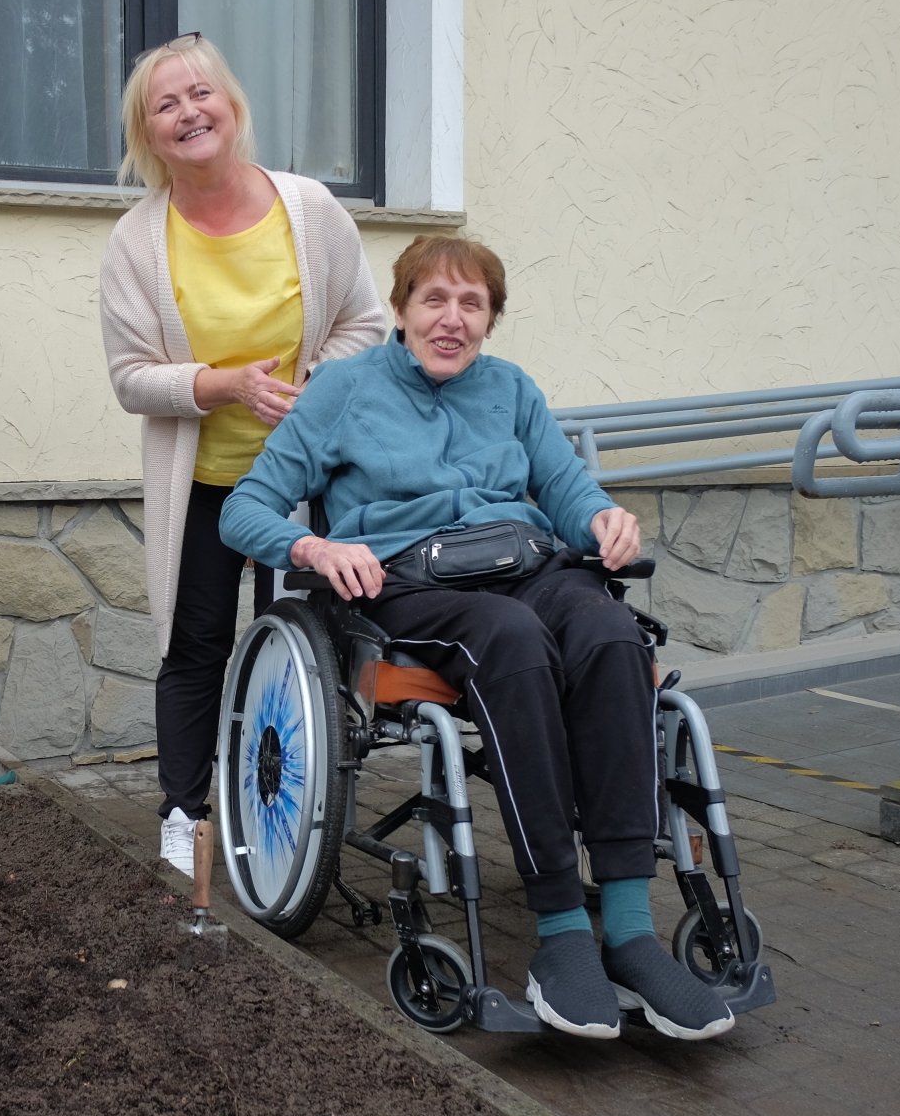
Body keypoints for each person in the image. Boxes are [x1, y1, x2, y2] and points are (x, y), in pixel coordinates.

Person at [219, 236, 735, 1042]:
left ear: (491, 318)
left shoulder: (512, 389)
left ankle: (631, 932)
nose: (452, 319)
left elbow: (566, 489)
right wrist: (313, 548)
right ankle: (562, 930)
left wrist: (605, 518)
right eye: (434, 299)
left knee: (611, 633)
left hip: (527, 565)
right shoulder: (343, 392)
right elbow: (243, 507)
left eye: (472, 304)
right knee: (513, 638)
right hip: (412, 587)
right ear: (400, 310)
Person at [100, 35, 384, 877]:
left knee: (303, 653)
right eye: (166, 105)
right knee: (194, 652)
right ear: (148, 134)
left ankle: (291, 827)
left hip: (304, 487)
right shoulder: (136, 240)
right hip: (205, 488)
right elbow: (130, 378)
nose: (189, 113)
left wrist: (307, 385)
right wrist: (223, 385)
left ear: (232, 105)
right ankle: (183, 822)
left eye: (201, 94)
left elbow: (365, 325)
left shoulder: (311, 210)